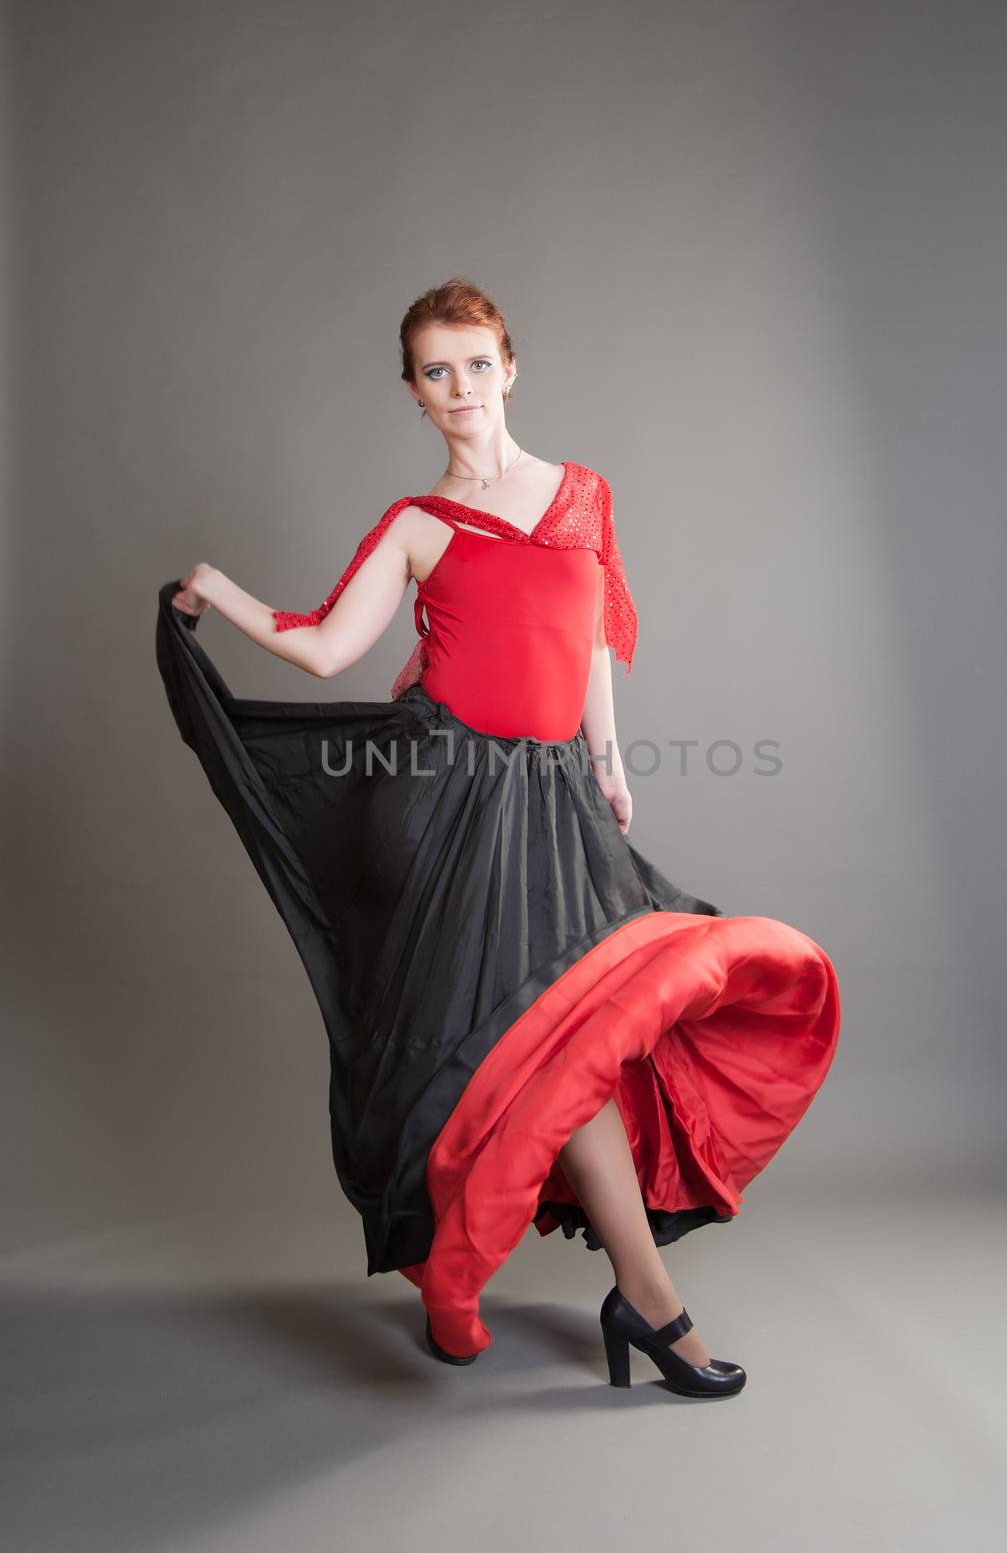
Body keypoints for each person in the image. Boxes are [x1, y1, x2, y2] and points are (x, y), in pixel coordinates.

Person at [158, 276, 841, 1400]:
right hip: (443, 809)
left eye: (477, 364)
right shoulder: (416, 525)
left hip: (553, 802)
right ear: (414, 392)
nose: (461, 388)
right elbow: (329, 648)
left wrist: (609, 765)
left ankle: (600, 1293)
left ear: (510, 368)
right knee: (511, 1055)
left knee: (569, 1049)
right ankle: (600, 1297)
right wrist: (221, 594)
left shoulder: (581, 495)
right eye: (437, 370)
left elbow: (593, 645)